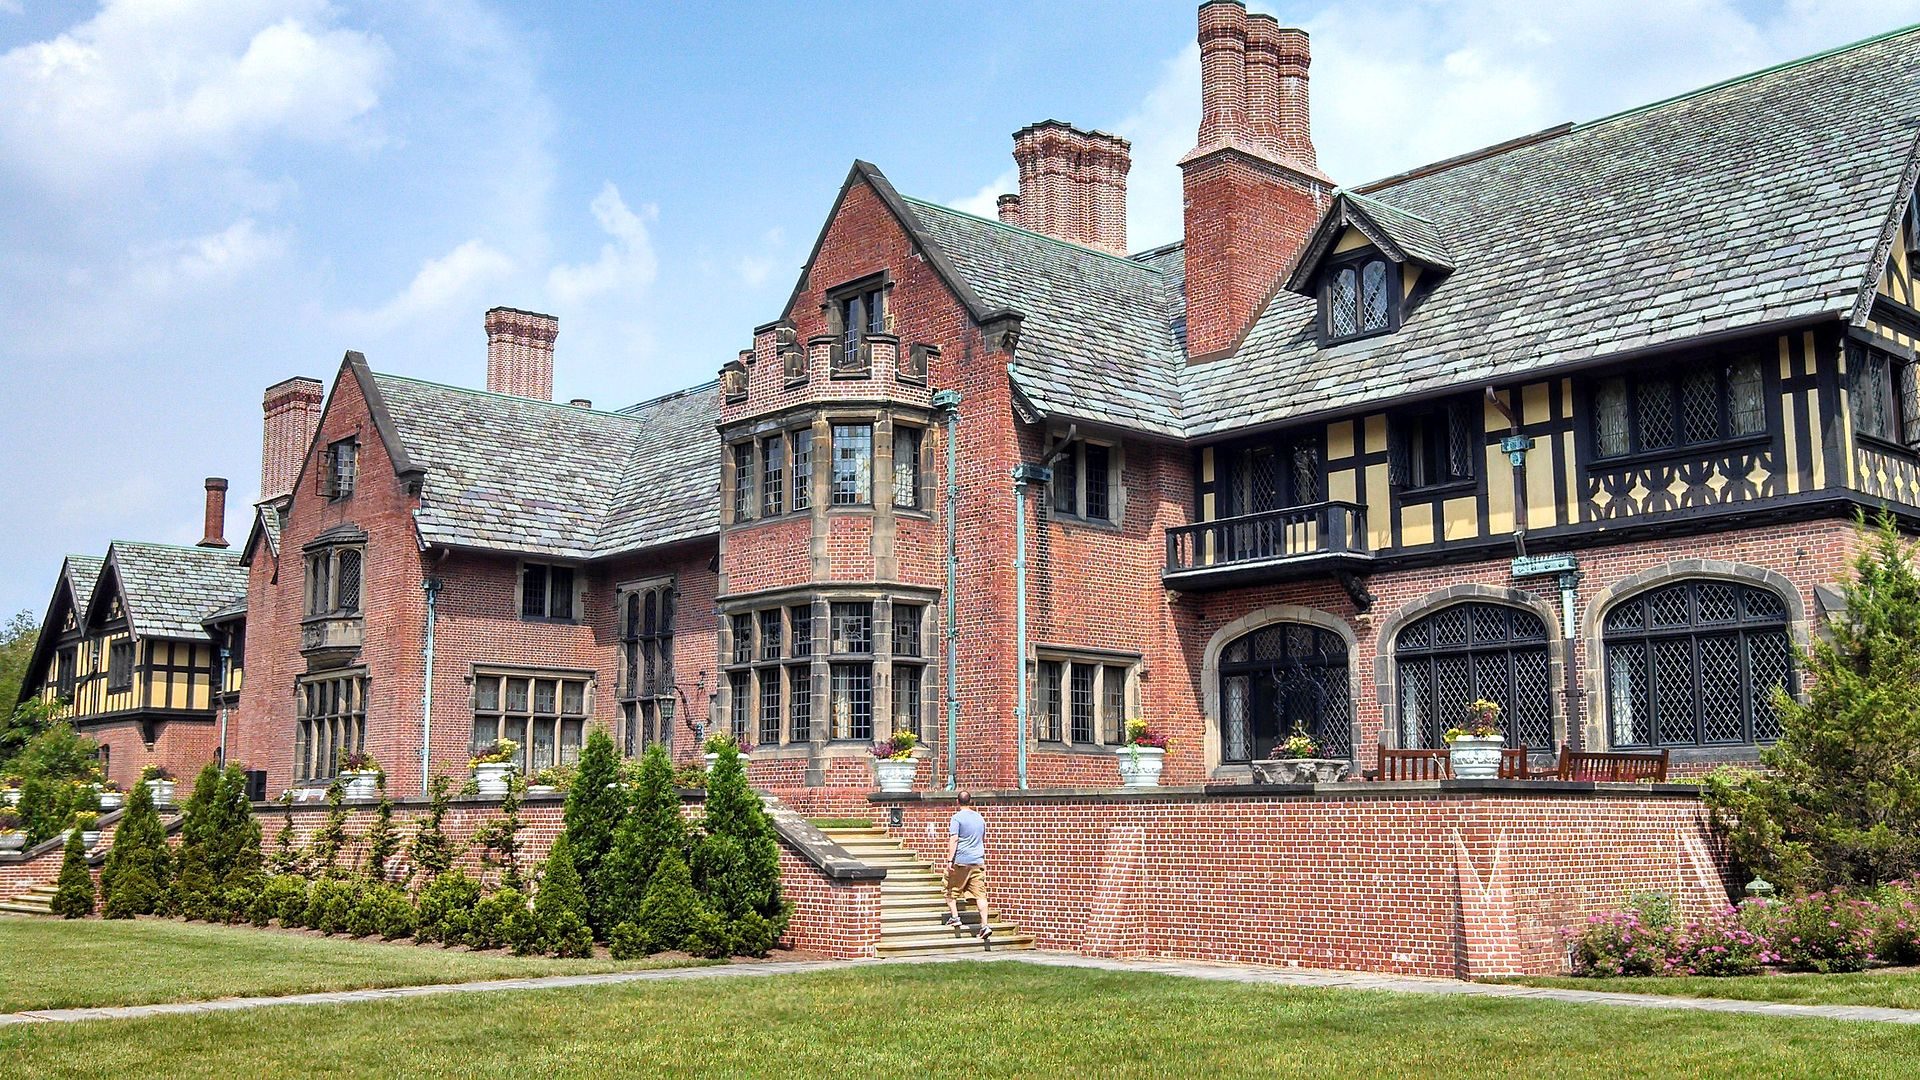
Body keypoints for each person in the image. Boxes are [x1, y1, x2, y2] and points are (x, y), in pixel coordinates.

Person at [943, 791, 992, 941]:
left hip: (961, 861)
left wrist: (950, 860)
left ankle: (955, 917)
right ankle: (985, 925)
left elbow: (954, 839)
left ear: (957, 802)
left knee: (949, 889)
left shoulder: (956, 818)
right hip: (977, 861)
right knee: (980, 895)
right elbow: (982, 838)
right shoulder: (980, 818)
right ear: (971, 801)